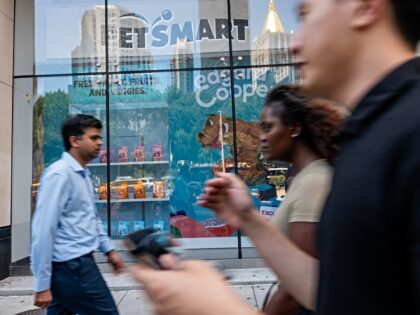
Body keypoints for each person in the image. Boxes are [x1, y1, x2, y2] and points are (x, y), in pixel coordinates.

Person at [131, 0, 420, 314]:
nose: (295, 44)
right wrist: (249, 220)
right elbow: (336, 292)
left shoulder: (408, 133)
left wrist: (217, 308)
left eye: (306, 14)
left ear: (364, 7)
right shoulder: (369, 136)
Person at [258, 85, 343, 315]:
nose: (262, 137)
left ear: (294, 128)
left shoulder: (314, 181)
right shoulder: (304, 178)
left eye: (268, 127)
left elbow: (298, 288)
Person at [31, 114, 125, 314]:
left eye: (100, 138)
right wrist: (41, 284)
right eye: (93, 138)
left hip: (74, 265)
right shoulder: (59, 175)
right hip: (74, 267)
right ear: (74, 140)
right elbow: (43, 231)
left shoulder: (83, 174)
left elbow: (91, 218)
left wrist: (109, 250)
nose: (99, 143)